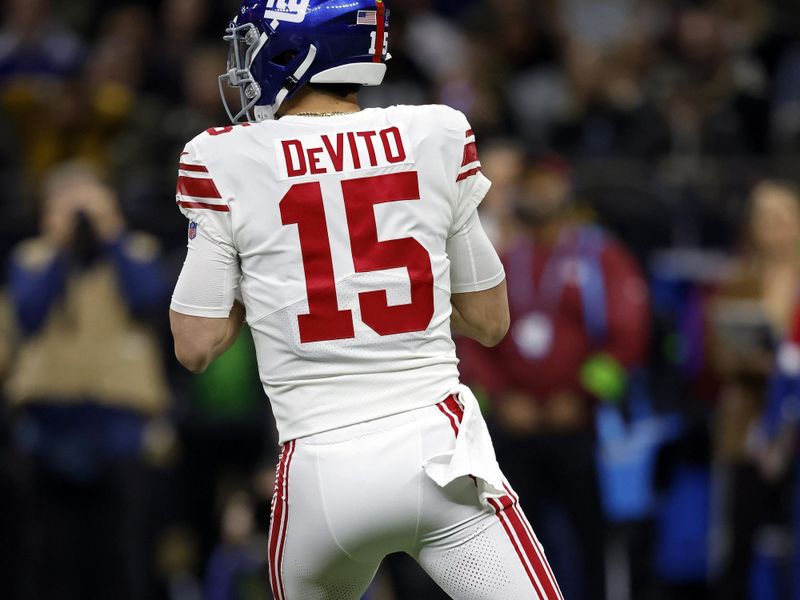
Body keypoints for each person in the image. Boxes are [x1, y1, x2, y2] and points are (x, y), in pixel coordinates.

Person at [168, 1, 563, 599]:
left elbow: (195, 346)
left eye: (253, 47)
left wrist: (274, 278)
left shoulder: (223, 157)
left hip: (318, 471)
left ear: (296, 53)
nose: (244, 67)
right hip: (439, 455)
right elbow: (489, 320)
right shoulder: (435, 132)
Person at [458, 156, 650, 599]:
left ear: (568, 190)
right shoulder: (503, 256)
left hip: (583, 430)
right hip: (516, 426)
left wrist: (582, 396)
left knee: (593, 541)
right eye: (531, 184)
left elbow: (629, 340)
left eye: (549, 184)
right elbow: (471, 337)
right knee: (517, 546)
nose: (539, 193)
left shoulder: (602, 256)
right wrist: (502, 398)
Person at [5, 164, 170, 600]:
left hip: (121, 426)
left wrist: (111, 232)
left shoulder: (138, 250)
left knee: (122, 555)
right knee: (48, 556)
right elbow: (29, 315)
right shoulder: (31, 258)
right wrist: (61, 247)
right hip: (47, 425)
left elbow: (149, 299)